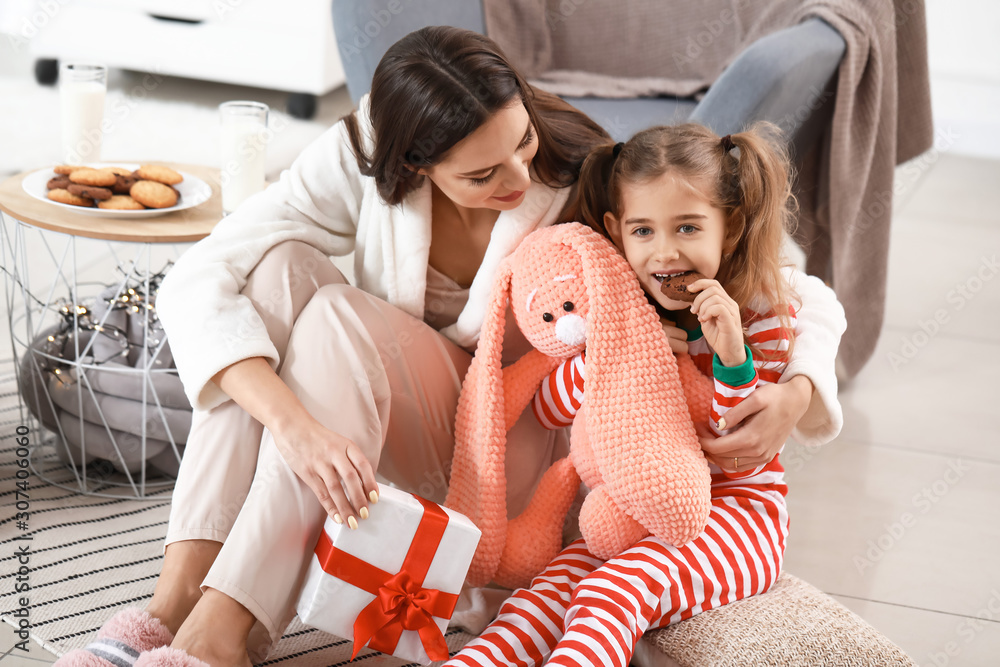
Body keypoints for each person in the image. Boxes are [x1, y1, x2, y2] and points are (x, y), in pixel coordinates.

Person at [55, 26, 843, 667]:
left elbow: (786, 277)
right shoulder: (359, 153)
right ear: (413, 165)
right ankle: (168, 609)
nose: (519, 173)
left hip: (512, 447)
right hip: (395, 418)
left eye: (521, 143)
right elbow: (202, 275)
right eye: (483, 172)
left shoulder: (574, 167)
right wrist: (294, 425)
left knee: (332, 318)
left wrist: (799, 392)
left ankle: (220, 635)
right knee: (274, 274)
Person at [445, 123, 847, 667]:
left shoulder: (760, 317)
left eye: (687, 227)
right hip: (629, 512)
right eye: (643, 231)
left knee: (610, 593)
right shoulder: (616, 305)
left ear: (727, 229)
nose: (664, 252)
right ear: (615, 231)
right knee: (540, 598)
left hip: (738, 519)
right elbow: (551, 409)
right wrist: (617, 354)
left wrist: (733, 359)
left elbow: (739, 449)